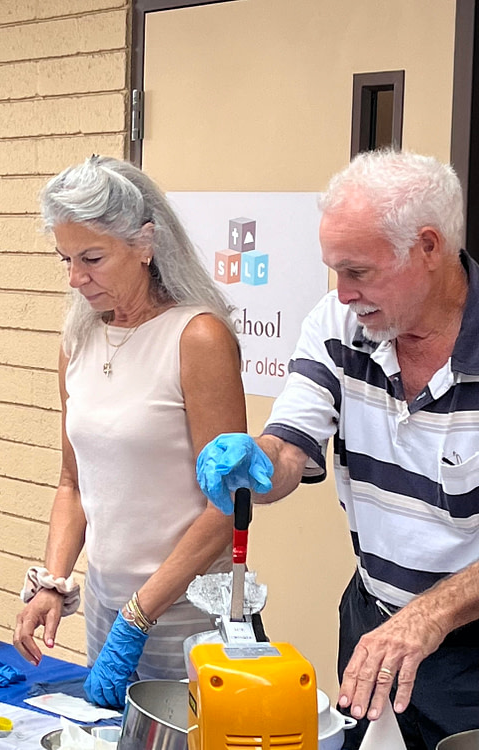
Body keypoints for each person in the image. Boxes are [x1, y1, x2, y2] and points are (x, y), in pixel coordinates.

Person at [196, 150, 479, 750]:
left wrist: (427, 617)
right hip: (374, 621)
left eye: (359, 272)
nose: (342, 293)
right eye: (333, 271)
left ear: (429, 247)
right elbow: (291, 446)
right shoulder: (340, 324)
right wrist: (258, 462)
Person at [12, 156, 247, 708]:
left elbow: (228, 503)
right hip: (105, 609)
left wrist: (141, 613)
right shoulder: (79, 340)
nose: (75, 278)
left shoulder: (197, 338)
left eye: (92, 258)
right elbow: (73, 483)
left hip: (190, 616)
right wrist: (53, 580)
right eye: (65, 259)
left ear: (146, 245)